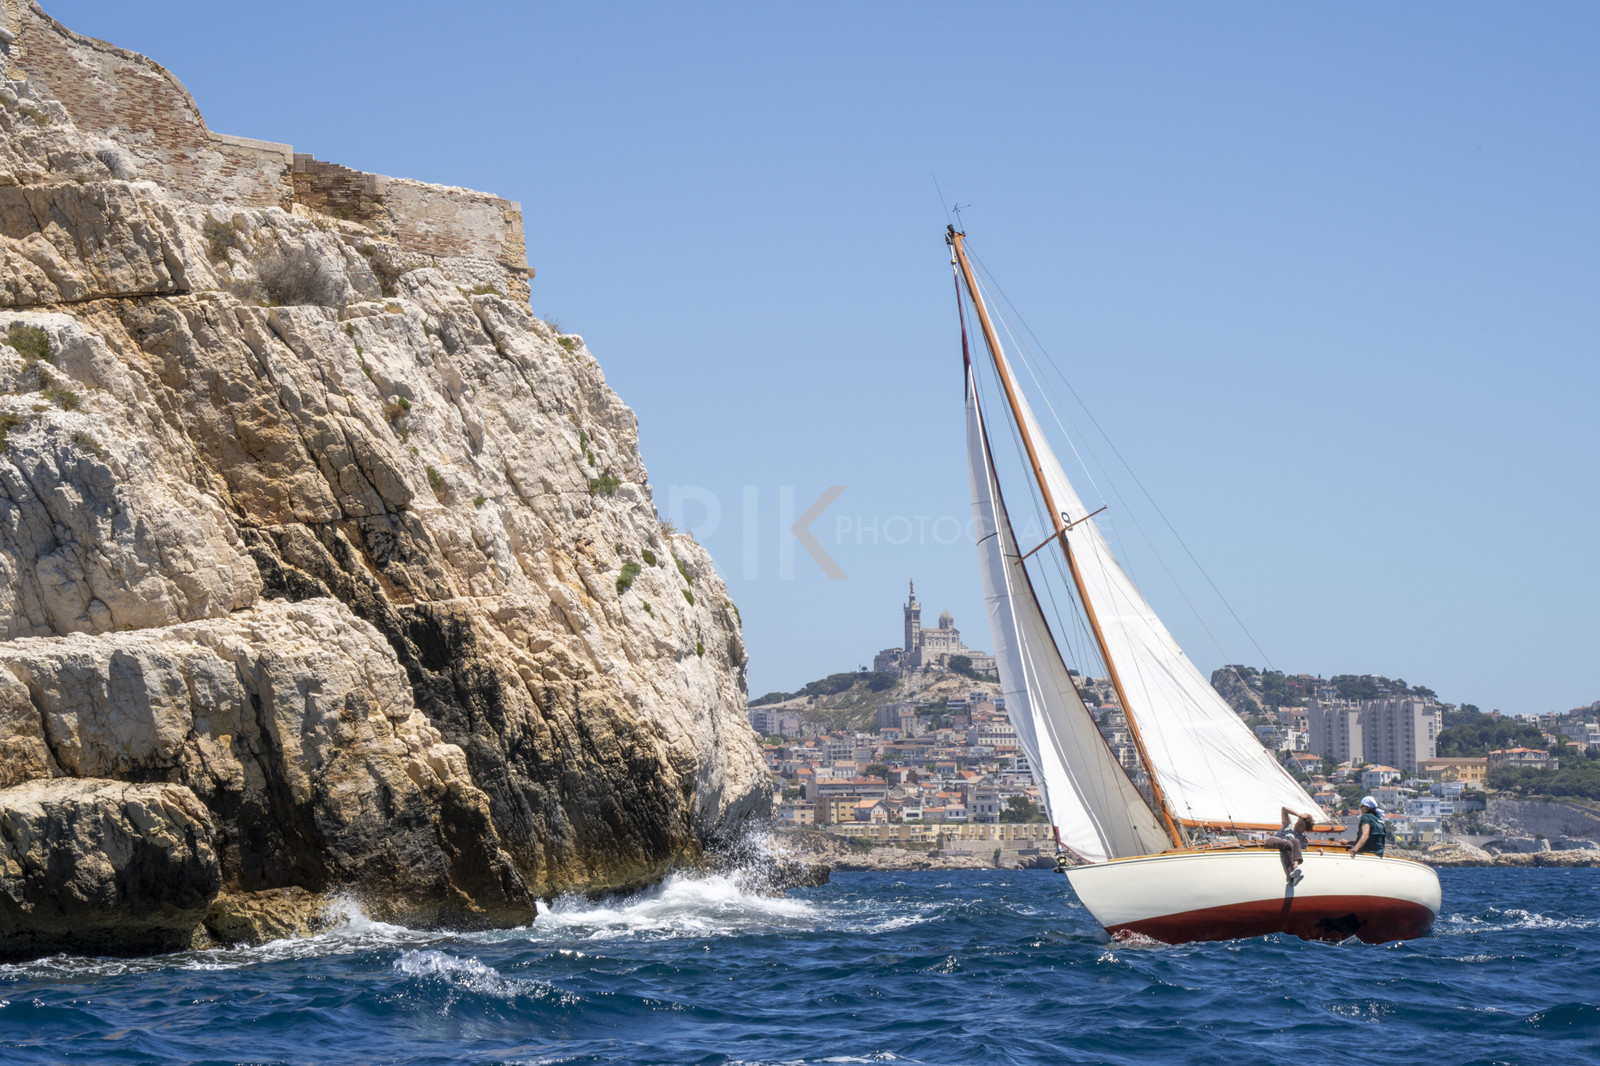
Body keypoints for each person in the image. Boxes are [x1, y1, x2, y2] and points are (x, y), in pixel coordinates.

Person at [1263, 806, 1314, 884]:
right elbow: (1284, 809)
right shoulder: (1288, 824)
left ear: (1305, 829)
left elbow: (1303, 852)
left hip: (1287, 847)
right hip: (1274, 842)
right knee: (1289, 843)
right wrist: (1299, 815)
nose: (1297, 826)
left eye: (1301, 826)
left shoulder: (1303, 839)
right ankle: (1291, 872)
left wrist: (1318, 850)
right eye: (1298, 823)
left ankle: (1295, 869)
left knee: (1295, 841)